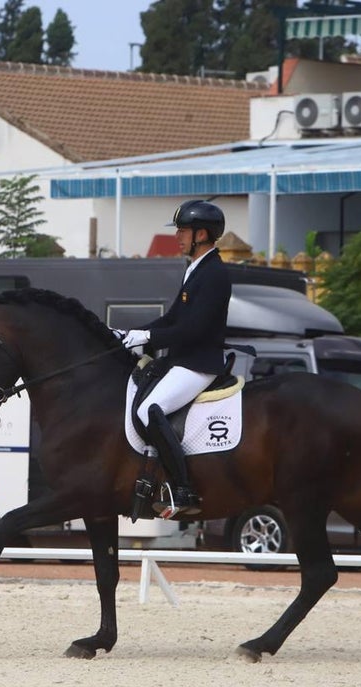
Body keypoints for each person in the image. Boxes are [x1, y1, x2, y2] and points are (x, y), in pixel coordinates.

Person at [118, 199, 231, 516]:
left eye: (183, 231)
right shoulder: (195, 269)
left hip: (199, 363)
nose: (178, 237)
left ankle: (183, 489)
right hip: (182, 360)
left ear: (202, 235)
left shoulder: (215, 274)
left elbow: (194, 328)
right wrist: (132, 334)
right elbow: (172, 319)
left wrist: (150, 338)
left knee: (149, 410)